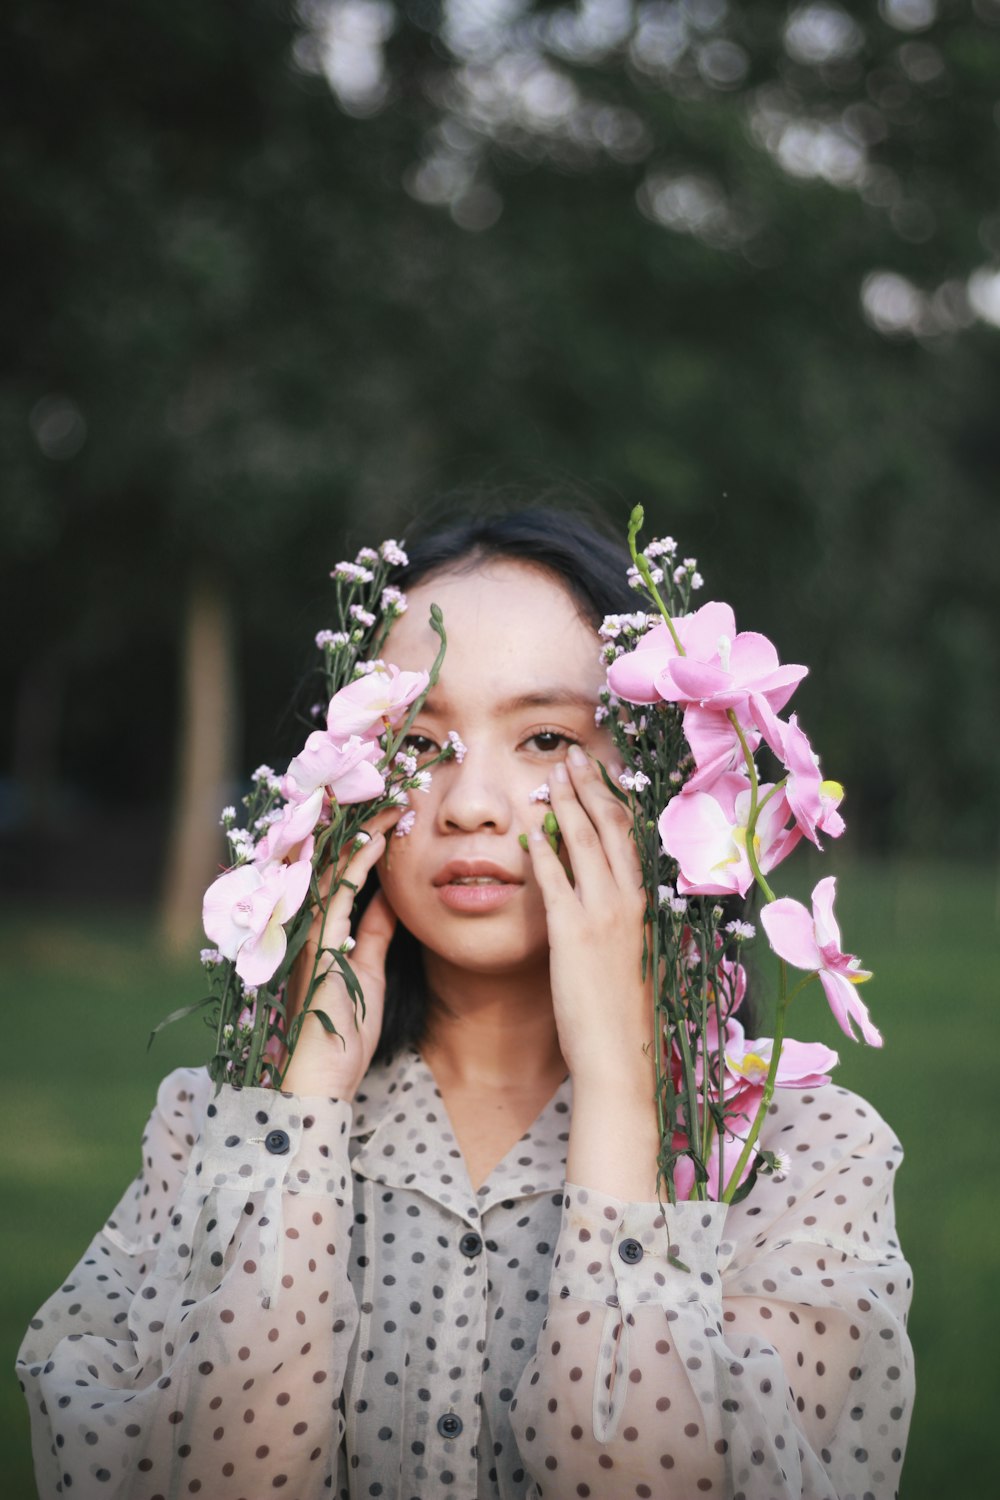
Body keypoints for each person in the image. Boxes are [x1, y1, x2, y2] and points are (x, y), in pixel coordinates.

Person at [18, 506, 914, 1500]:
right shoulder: (216, 1130)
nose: (471, 803)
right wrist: (300, 1111)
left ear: (670, 777)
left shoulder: (796, 1155)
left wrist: (623, 1091)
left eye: (542, 738)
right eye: (421, 741)